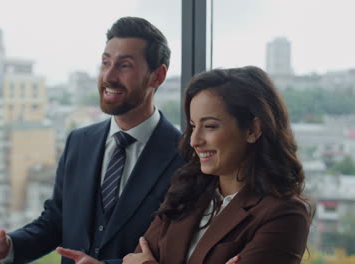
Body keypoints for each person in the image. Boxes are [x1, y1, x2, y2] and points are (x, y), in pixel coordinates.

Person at [0, 17, 185, 264]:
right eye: (105, 63)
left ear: (158, 76)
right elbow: (56, 222)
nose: (109, 76)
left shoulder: (184, 156)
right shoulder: (79, 142)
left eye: (124, 66)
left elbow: (179, 251)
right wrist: (8, 246)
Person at [119, 66, 312, 264]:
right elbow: (134, 256)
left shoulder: (285, 214)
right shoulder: (185, 192)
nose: (194, 140)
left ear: (253, 129)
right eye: (193, 126)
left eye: (210, 126)